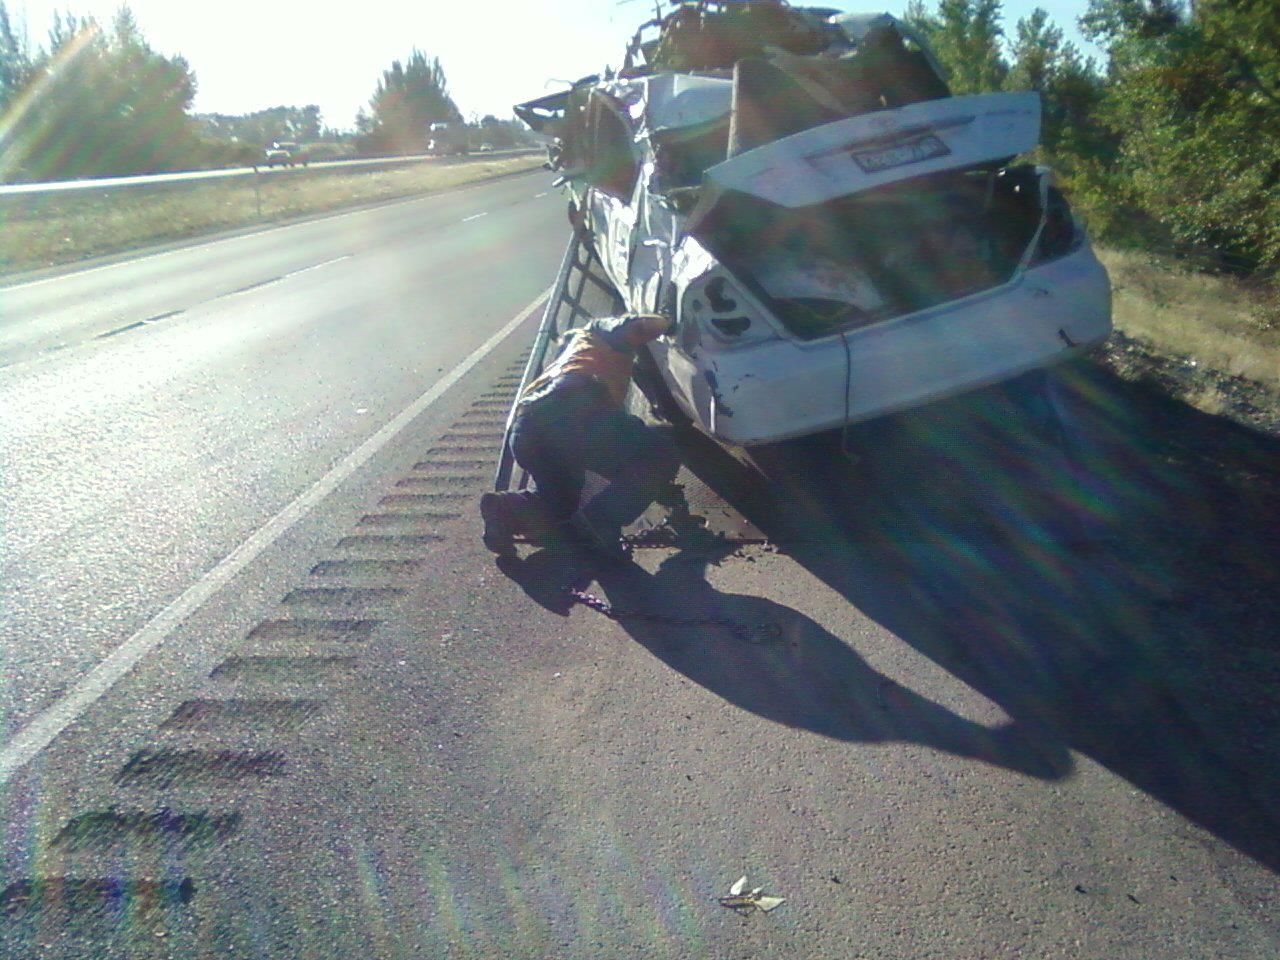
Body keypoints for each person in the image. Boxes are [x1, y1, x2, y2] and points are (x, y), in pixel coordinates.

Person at [480, 314, 681, 561]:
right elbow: (636, 327)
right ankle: (600, 522)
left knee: (557, 504)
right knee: (662, 446)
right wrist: (669, 321)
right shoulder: (596, 333)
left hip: (526, 431)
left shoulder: (560, 363)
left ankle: (505, 509)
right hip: (576, 411)